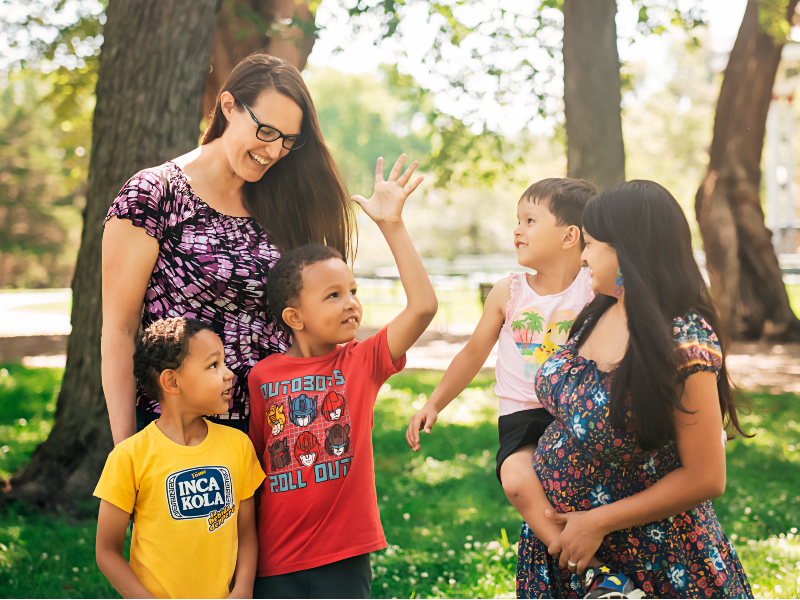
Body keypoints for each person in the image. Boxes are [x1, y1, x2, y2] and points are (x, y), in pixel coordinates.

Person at [516, 180, 753, 599]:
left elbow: (707, 476)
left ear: (626, 250)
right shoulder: (599, 308)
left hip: (652, 560)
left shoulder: (681, 341)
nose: (584, 255)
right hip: (574, 557)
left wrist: (598, 521)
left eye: (591, 244)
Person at [101, 54, 355, 444]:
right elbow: (119, 331)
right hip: (184, 437)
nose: (274, 152)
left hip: (280, 429)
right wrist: (125, 452)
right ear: (229, 106)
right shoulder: (155, 194)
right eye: (266, 131)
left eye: (288, 141)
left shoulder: (281, 206)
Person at [247, 155, 437, 599]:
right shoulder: (261, 376)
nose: (350, 302)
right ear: (294, 316)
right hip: (275, 561)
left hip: (345, 557)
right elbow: (254, 466)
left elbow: (423, 307)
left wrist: (392, 225)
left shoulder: (362, 362)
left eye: (353, 291)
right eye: (333, 295)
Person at [405, 178, 597, 553]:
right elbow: (473, 354)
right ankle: (580, 563)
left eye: (530, 221)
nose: (517, 230)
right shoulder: (509, 292)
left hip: (578, 410)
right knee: (515, 480)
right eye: (517, 220)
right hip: (522, 415)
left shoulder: (594, 287)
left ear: (569, 235)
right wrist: (434, 403)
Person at [94, 317, 265, 599]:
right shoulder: (130, 456)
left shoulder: (239, 446)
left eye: (224, 363)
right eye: (214, 365)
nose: (229, 374)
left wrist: (243, 589)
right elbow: (107, 551)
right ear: (172, 381)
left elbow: (246, 534)